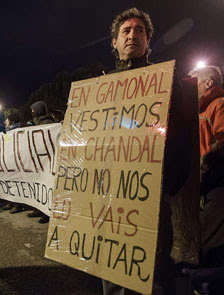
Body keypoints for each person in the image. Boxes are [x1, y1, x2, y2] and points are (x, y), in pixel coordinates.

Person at [102, 8, 191, 295]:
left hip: (149, 195)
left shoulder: (165, 79)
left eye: (140, 30)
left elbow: (179, 136)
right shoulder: (100, 89)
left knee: (152, 275)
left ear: (148, 42)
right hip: (108, 198)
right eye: (126, 31)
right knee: (113, 269)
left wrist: (167, 186)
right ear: (114, 42)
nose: (133, 35)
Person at [187, 65, 224, 292]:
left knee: (207, 246)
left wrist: (206, 166)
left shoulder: (219, 105)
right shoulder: (199, 111)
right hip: (203, 188)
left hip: (216, 188)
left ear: (208, 83)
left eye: (194, 80)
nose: (190, 85)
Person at [27, 101, 54, 223]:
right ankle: (37, 209)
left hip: (46, 161)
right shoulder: (37, 123)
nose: (32, 112)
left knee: (45, 186)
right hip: (38, 160)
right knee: (37, 186)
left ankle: (46, 213)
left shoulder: (47, 123)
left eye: (33, 110)